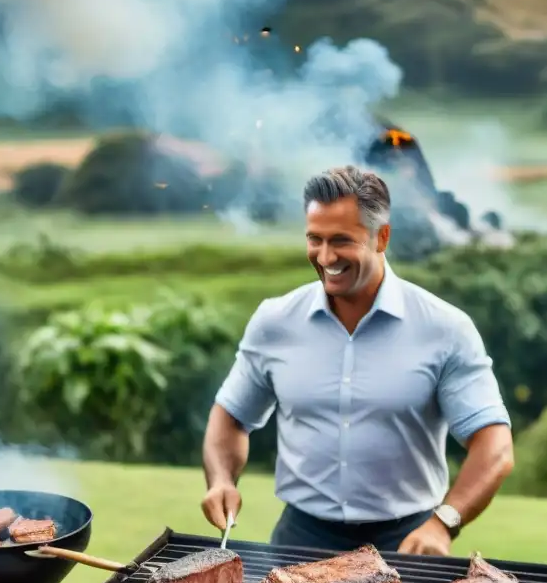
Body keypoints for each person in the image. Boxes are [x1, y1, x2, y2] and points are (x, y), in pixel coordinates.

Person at [200, 165, 514, 555]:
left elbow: (495, 446)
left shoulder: (445, 328)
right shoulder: (275, 321)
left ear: (381, 237)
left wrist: (444, 522)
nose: (326, 256)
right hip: (301, 540)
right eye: (315, 239)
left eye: (341, 241)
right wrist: (221, 481)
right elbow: (230, 416)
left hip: (407, 541)